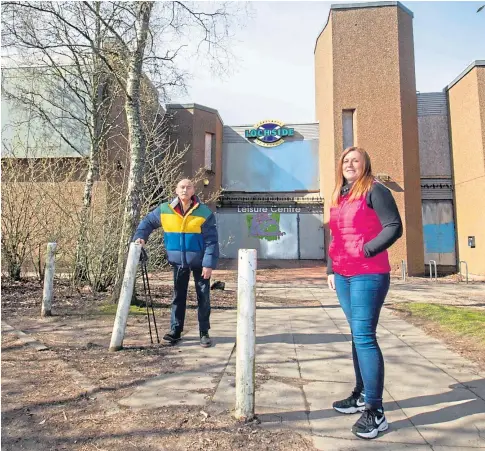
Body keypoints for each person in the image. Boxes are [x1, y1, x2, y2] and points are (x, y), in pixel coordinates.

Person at [327, 146, 403, 439]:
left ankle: (376, 411)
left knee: (364, 337)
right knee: (357, 335)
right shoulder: (340, 195)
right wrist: (330, 268)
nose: (349, 164)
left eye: (355, 160)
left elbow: (393, 227)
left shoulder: (375, 190)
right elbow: (336, 235)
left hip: (368, 275)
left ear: (365, 165)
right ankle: (360, 395)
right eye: (345, 160)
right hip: (344, 275)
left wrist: (367, 249)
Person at [133, 178, 219, 348]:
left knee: (203, 297)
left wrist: (208, 264)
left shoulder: (204, 212)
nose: (184, 190)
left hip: (200, 262)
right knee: (178, 297)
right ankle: (175, 331)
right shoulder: (165, 209)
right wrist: (140, 237)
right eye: (181, 187)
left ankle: (204, 332)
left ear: (193, 190)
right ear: (176, 190)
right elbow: (148, 223)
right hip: (178, 263)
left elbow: (212, 241)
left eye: (188, 187)